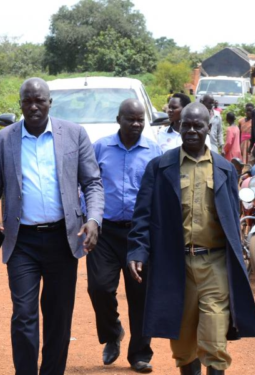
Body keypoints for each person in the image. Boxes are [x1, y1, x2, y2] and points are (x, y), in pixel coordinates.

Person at [0, 77, 104, 375]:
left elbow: (93, 183)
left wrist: (94, 218)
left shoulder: (74, 134)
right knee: (23, 316)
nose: (34, 106)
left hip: (64, 238)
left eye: (40, 101)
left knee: (59, 316)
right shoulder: (3, 140)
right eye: (27, 101)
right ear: (20, 104)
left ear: (50, 102)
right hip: (22, 242)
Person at [128, 103, 255, 375]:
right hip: (175, 266)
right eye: (185, 125)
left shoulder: (224, 169)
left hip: (214, 265)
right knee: (183, 340)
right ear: (178, 126)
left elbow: (232, 220)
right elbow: (143, 215)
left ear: (208, 128)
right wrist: (138, 251)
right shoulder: (160, 167)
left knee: (214, 339)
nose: (190, 130)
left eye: (197, 125)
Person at [88, 99, 162, 373]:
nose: (136, 124)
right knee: (99, 288)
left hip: (139, 233)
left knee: (140, 294)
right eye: (130, 119)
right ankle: (112, 332)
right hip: (104, 232)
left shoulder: (154, 152)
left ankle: (140, 353)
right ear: (118, 119)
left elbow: (159, 194)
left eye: (140, 119)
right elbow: (88, 184)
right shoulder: (101, 147)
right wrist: (88, 218)